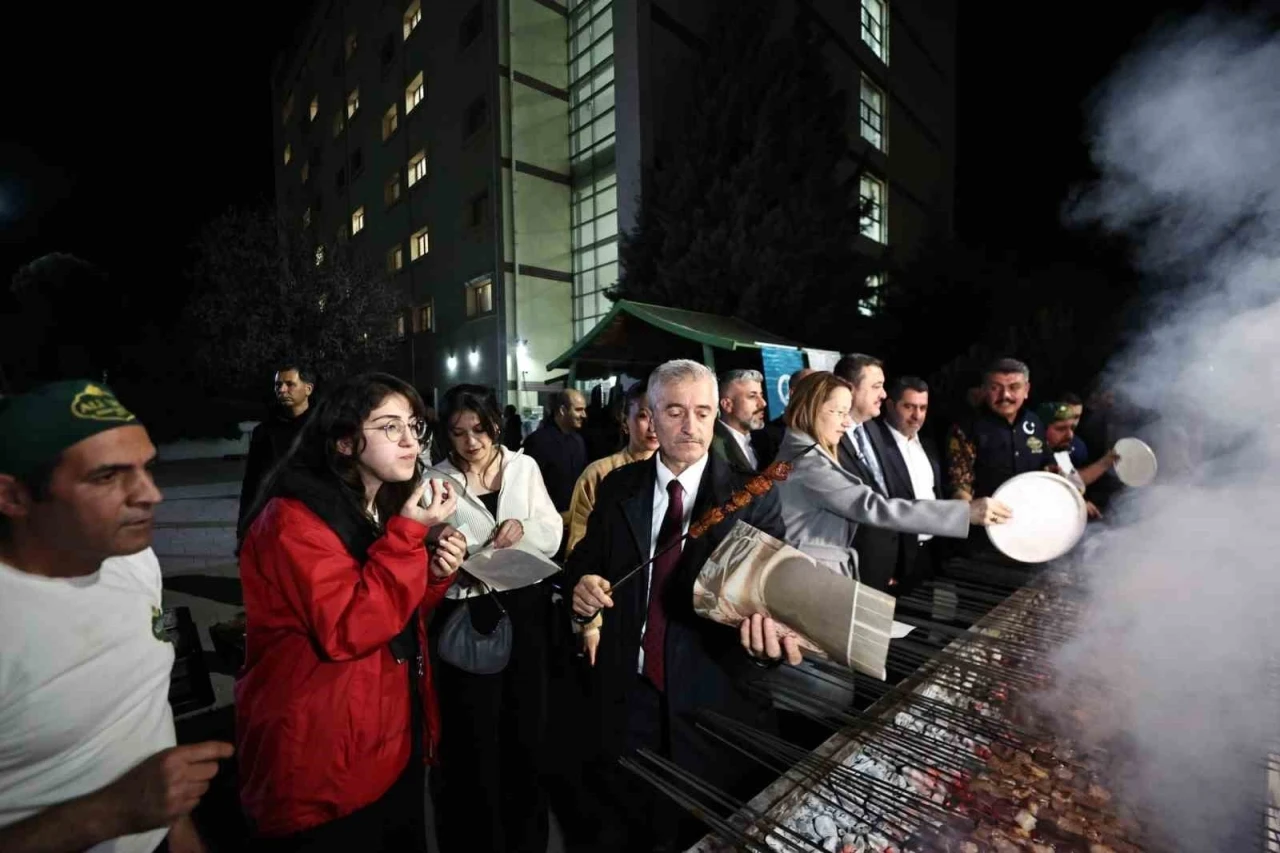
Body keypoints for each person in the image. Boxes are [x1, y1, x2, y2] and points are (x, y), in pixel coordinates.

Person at [566, 359, 800, 852]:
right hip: (627, 700)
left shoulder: (750, 497)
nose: (689, 426)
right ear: (649, 415)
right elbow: (585, 562)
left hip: (713, 702)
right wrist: (582, 585)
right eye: (674, 411)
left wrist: (767, 644)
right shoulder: (617, 488)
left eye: (701, 412)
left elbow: (772, 603)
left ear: (717, 414)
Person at [235, 372, 467, 851]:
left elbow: (395, 618)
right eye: (389, 427)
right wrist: (407, 536)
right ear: (343, 441)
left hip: (380, 742)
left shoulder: (373, 507)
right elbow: (349, 628)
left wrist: (436, 573)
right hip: (321, 762)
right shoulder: (292, 520)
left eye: (413, 425)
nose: (410, 441)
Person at [0, 380, 232, 853]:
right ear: (14, 498)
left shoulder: (132, 561)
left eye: (147, 468)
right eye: (107, 477)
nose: (150, 495)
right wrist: (106, 814)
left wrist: (177, 829)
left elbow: (143, 720)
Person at [425, 385, 563, 853]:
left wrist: (524, 528)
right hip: (468, 610)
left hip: (524, 609)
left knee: (527, 734)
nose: (471, 442)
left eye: (479, 430)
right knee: (474, 739)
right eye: (459, 433)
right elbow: (424, 539)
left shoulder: (523, 467)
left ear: (495, 426)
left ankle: (528, 840)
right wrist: (443, 542)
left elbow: (552, 530)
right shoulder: (435, 478)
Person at [774, 372, 1011, 580]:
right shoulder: (808, 463)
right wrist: (965, 512)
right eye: (839, 412)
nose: (847, 423)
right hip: (812, 577)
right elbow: (875, 507)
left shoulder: (798, 453)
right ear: (812, 409)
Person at [565, 381, 660, 556]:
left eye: (660, 415)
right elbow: (578, 543)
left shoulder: (675, 474)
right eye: (643, 416)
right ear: (624, 421)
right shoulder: (598, 473)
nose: (653, 427)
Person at [238, 365, 315, 537]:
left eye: (289, 384)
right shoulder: (263, 432)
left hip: (316, 522)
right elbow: (251, 483)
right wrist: (243, 530)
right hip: (275, 523)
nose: (282, 389)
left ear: (308, 388)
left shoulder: (324, 429)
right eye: (278, 385)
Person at [521, 389, 587, 520]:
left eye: (584, 410)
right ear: (562, 410)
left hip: (576, 521)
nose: (584, 415)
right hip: (548, 523)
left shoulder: (579, 441)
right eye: (578, 410)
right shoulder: (538, 442)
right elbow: (527, 487)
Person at [712, 368, 775, 472]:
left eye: (761, 395)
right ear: (727, 405)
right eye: (752, 396)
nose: (763, 403)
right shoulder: (711, 446)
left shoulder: (764, 441)